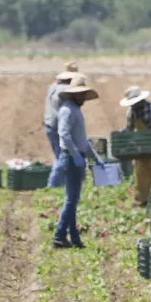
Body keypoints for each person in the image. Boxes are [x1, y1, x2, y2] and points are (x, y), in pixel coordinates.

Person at [54, 75, 104, 249]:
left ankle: (74, 238)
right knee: (71, 199)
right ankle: (59, 235)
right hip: (70, 158)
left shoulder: (76, 110)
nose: (82, 97)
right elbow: (64, 135)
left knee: (73, 199)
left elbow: (83, 140)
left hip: (78, 158)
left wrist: (95, 159)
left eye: (84, 94)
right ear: (73, 95)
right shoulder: (67, 110)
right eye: (80, 94)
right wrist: (75, 155)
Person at [44, 61, 78, 188]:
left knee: (59, 155)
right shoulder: (67, 90)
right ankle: (52, 185)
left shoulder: (52, 86)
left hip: (49, 125)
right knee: (62, 157)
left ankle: (61, 184)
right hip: (59, 126)